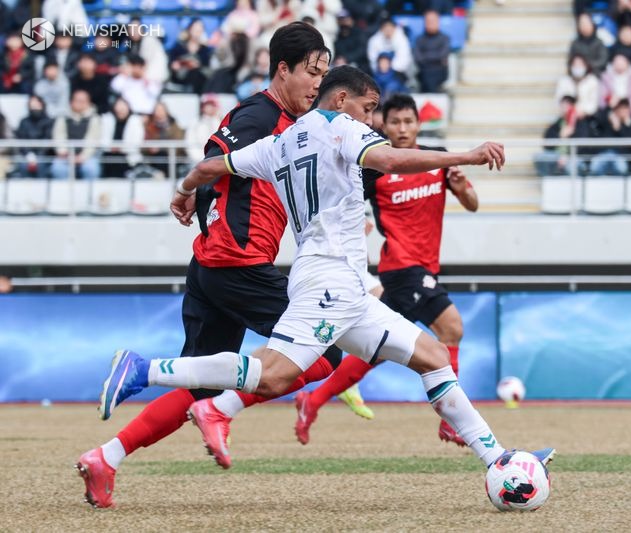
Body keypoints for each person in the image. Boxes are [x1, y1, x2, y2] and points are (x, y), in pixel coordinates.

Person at [96, 64, 555, 485]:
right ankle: (147, 370)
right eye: (369, 109)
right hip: (329, 282)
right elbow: (393, 161)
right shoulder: (340, 129)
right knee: (273, 376)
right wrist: (466, 156)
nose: (372, 121)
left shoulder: (280, 141)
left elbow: (211, 166)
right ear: (340, 101)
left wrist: (185, 191)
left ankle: (497, 460)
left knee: (433, 355)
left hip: (342, 282)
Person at [75, 22, 340, 509]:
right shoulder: (260, 114)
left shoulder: (286, 122)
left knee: (200, 384)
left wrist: (193, 197)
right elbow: (214, 159)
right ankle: (176, 386)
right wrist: (187, 190)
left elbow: (218, 169)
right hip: (239, 266)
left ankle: (104, 458)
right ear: (282, 69)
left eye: (324, 74)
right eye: (312, 72)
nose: (318, 84)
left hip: (215, 268)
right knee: (329, 350)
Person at [293, 92, 480, 445]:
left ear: (418, 124)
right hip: (402, 267)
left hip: (424, 269)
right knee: (452, 328)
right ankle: (452, 421)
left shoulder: (434, 161)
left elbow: (472, 204)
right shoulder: (375, 167)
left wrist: (459, 185)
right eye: (395, 122)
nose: (402, 128)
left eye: (408, 121)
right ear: (384, 125)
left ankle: (312, 399)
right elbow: (339, 195)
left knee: (376, 350)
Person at [51, 90, 102, 180]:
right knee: (58, 169)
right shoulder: (63, 117)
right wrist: (65, 154)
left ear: (88, 103)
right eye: (77, 101)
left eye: (83, 101)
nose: (79, 104)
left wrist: (82, 157)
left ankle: (88, 194)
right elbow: (59, 137)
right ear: (71, 102)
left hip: (87, 157)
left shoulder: (94, 119)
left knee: (91, 169)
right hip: (65, 156)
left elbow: (93, 140)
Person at [590, 98, 631, 176]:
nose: (623, 111)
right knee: (595, 166)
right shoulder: (609, 119)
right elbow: (598, 119)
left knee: (621, 168)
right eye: (621, 108)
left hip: (620, 155)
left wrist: (620, 129)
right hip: (604, 153)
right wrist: (609, 107)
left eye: (625, 108)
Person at [100, 97, 144, 178]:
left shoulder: (135, 121)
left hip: (128, 157)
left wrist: (121, 148)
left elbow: (137, 142)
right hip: (109, 155)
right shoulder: (108, 119)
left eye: (123, 108)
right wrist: (111, 147)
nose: (121, 110)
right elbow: (103, 139)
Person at [535, 95, 579, 177]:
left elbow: (585, 145)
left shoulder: (580, 123)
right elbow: (546, 143)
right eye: (562, 106)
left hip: (574, 156)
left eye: (567, 105)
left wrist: (567, 156)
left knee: (572, 166)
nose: (564, 109)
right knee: (539, 157)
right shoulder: (557, 124)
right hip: (557, 155)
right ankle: (549, 181)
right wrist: (560, 135)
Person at [168, 18, 213, 94]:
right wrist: (176, 65)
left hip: (198, 82)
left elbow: (208, 68)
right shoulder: (179, 47)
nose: (197, 32)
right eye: (195, 29)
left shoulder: (205, 50)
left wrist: (197, 66)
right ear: (189, 29)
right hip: (181, 78)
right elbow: (172, 63)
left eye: (200, 29)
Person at [15, 96, 55, 178]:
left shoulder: (49, 121)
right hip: (26, 156)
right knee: (22, 165)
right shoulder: (24, 122)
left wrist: (38, 156)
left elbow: (48, 139)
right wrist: (29, 155)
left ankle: (41, 188)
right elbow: (21, 139)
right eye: (32, 105)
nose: (34, 108)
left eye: (36, 104)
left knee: (41, 165)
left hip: (44, 155)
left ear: (42, 105)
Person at [413, 10, 451, 93]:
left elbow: (442, 55)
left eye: (432, 21)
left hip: (440, 71)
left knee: (429, 78)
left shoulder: (445, 38)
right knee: (426, 76)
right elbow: (418, 58)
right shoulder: (419, 39)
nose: (430, 23)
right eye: (428, 21)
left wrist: (426, 56)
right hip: (423, 70)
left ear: (438, 22)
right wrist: (434, 57)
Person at [555, 54, 600, 120]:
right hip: (566, 117)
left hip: (586, 118)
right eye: (575, 65)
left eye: (580, 64)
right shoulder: (564, 81)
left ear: (586, 66)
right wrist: (569, 112)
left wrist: (581, 112)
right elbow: (558, 100)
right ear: (570, 66)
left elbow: (593, 104)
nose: (577, 67)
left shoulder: (592, 81)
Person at [185, 94, 224, 165]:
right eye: (208, 105)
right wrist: (200, 159)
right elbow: (190, 142)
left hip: (218, 160)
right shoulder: (195, 122)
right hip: (197, 161)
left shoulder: (222, 122)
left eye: (213, 105)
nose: (210, 108)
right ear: (202, 107)